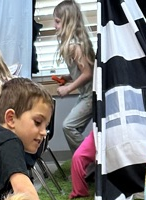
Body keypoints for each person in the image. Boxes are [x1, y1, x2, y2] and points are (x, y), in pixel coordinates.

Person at [53, 0, 95, 153]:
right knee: (72, 127)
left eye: (57, 22)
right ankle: (86, 159)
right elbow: (82, 70)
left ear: (68, 22)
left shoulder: (74, 46)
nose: (54, 26)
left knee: (68, 126)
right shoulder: (72, 44)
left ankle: (89, 159)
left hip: (91, 95)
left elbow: (88, 73)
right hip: (86, 94)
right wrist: (67, 77)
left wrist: (68, 89)